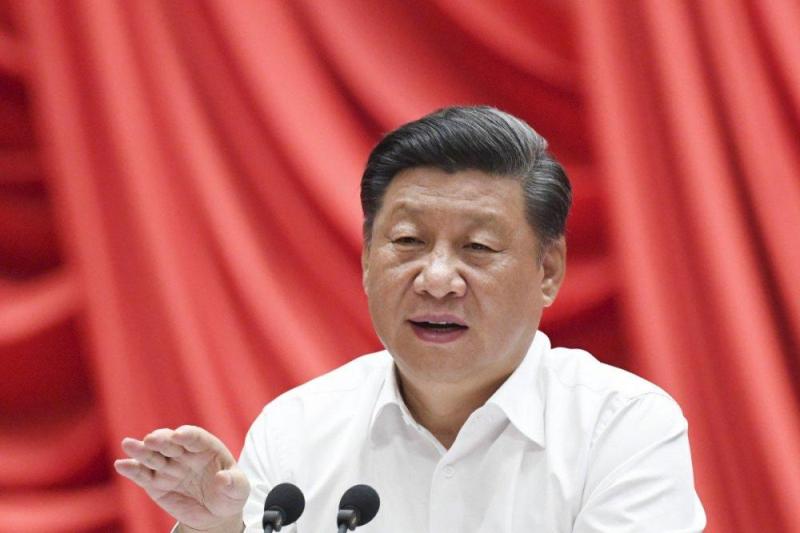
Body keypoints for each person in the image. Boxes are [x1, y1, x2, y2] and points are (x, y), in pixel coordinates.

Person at [115, 106, 706, 532]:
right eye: (407, 241)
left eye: (478, 248)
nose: (437, 278)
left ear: (547, 270)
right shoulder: (296, 430)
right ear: (367, 258)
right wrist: (217, 530)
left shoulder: (621, 429)